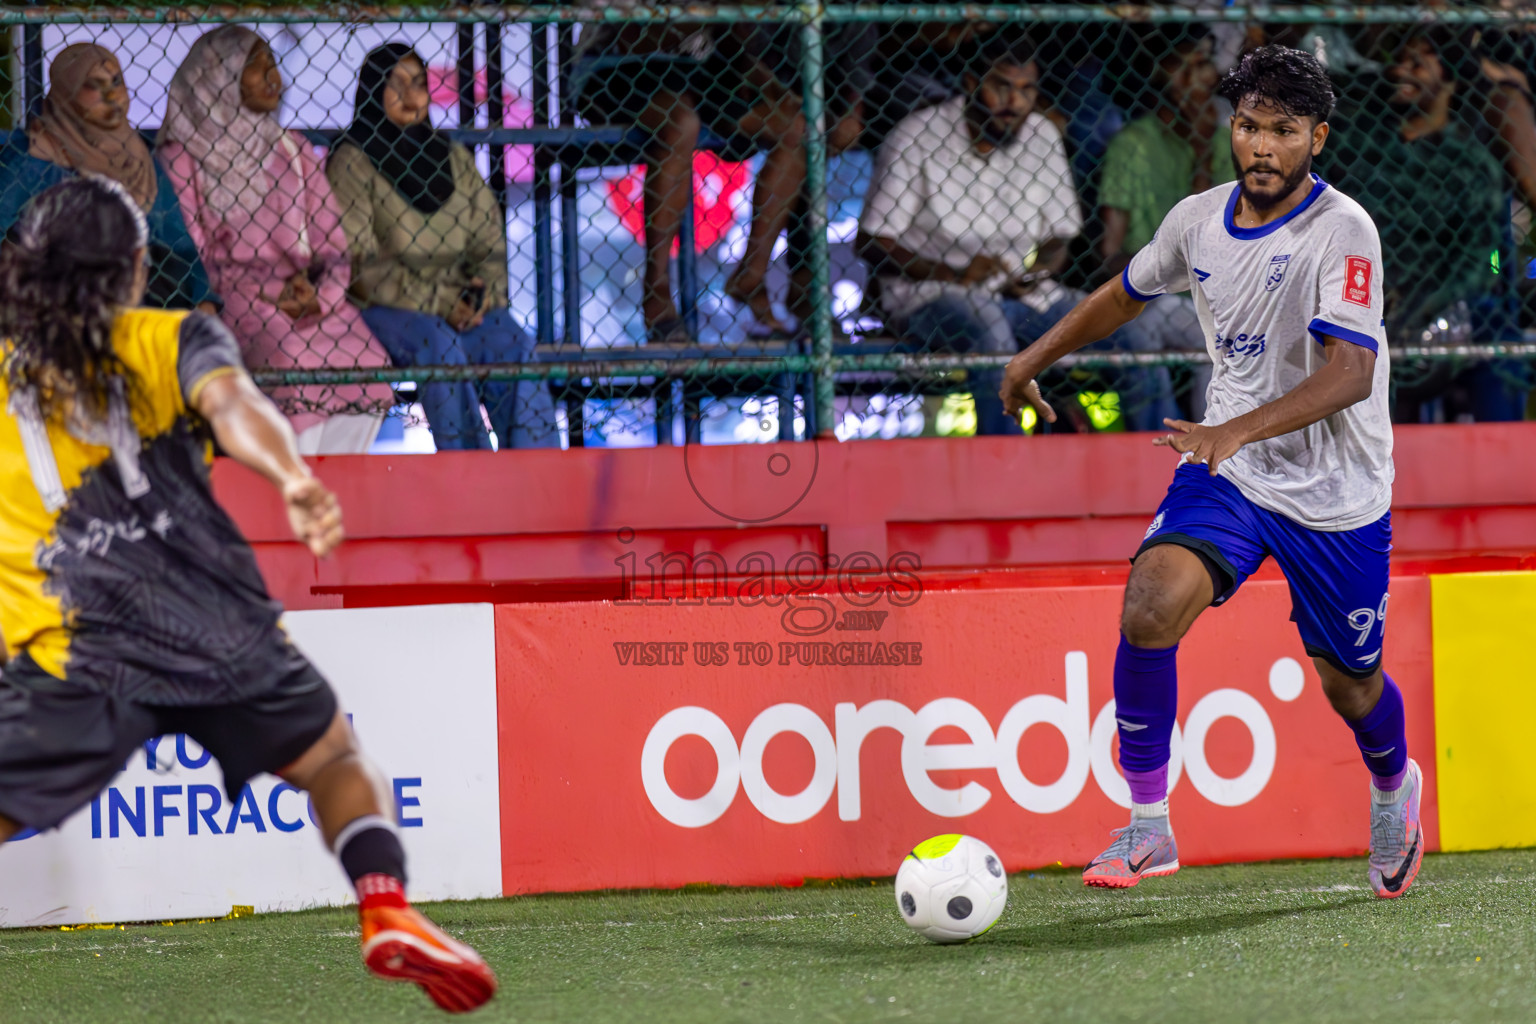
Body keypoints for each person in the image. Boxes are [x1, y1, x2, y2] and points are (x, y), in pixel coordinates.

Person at [0, 177, 496, 1010]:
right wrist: (292, 475)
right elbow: (234, 406)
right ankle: (385, 903)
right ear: (136, 265)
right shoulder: (171, 335)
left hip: (72, 642)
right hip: (216, 627)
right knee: (334, 757)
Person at [1000, 46, 1422, 898]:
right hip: (1229, 470)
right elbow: (1123, 292)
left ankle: (1394, 785)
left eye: (1284, 131)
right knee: (1151, 602)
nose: (1262, 147)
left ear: (1317, 139)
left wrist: (1237, 428)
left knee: (1350, 682)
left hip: (1335, 494)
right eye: (1249, 127)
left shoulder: (1345, 232)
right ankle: (1148, 826)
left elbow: (1351, 374)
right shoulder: (1197, 220)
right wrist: (1030, 357)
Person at [858, 41, 1178, 436]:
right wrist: (953, 272)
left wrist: (1035, 273)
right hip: (930, 292)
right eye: (1002, 87)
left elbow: (1059, 237)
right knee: (989, 326)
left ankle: (1171, 470)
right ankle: (1007, 470)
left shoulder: (1040, 134)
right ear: (973, 84)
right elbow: (872, 240)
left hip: (1021, 292)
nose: (1014, 102)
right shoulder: (916, 135)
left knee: (1128, 328)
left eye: (1027, 90)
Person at [158, 26, 395, 455]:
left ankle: (331, 483)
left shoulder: (293, 149)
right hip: (235, 298)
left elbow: (333, 244)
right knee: (288, 357)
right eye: (256, 66)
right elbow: (190, 254)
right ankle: (291, 482)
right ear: (218, 75)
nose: (274, 77)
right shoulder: (183, 155)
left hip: (306, 294)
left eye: (273, 64)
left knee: (371, 362)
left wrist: (320, 294)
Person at [327, 43, 557, 451]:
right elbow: (360, 265)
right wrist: (439, 301)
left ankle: (538, 474)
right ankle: (470, 473)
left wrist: (479, 295)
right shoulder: (352, 160)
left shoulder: (450, 156)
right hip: (388, 305)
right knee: (442, 345)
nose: (411, 96)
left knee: (513, 343)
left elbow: (488, 239)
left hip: (458, 302)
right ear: (373, 91)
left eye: (418, 83)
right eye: (395, 85)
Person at [1317, 30, 1517, 423]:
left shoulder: (1470, 165)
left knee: (1493, 320)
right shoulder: (1362, 144)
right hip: (1359, 285)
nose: (1402, 69)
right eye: (1401, 59)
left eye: (1420, 61)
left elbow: (1478, 261)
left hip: (1435, 295)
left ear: (1450, 79)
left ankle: (1503, 448)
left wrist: (1423, 305)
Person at [571, 18, 807, 339]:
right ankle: (656, 289)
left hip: (696, 68)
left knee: (794, 125)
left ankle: (751, 274)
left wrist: (747, 57)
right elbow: (632, 37)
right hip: (616, 64)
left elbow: (729, 38)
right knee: (679, 123)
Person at [0, 42, 218, 313]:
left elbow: (181, 248)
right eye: (93, 85)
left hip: (142, 313)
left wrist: (203, 303)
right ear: (67, 94)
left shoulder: (140, 159)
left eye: (116, 81)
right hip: (58, 314)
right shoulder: (37, 161)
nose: (111, 94)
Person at [1100, 25, 1235, 419]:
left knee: (1220, 347)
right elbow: (1109, 251)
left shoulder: (1229, 139)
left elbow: (1225, 238)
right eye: (1183, 66)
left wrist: (1203, 158)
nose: (1197, 79)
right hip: (1154, 293)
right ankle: (1153, 447)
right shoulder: (1132, 144)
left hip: (1216, 290)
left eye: (1203, 64)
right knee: (1146, 338)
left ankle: (1213, 457)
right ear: (1160, 73)